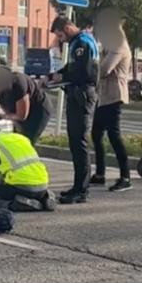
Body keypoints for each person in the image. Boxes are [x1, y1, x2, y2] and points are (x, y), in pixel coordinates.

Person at [49, 16, 99, 204]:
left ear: (68, 27)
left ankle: (81, 189)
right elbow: (71, 68)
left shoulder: (82, 44)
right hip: (78, 95)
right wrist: (55, 76)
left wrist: (60, 78)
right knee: (75, 142)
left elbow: (81, 72)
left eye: (61, 35)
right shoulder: (78, 42)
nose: (61, 39)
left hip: (82, 95)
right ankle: (78, 186)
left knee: (79, 143)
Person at [91, 8, 132, 191]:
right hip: (104, 96)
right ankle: (100, 173)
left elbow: (105, 69)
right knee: (96, 134)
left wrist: (93, 67)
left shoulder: (118, 46)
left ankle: (126, 177)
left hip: (114, 96)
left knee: (114, 136)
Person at [0, 66, 53, 145]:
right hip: (18, 110)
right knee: (16, 141)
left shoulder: (19, 83)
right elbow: (6, 107)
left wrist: (0, 116)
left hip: (38, 109)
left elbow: (22, 116)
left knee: (25, 142)